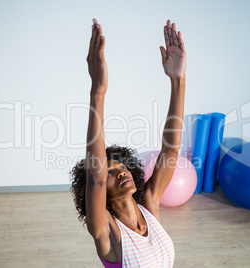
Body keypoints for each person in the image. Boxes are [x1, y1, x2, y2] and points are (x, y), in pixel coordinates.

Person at [70, 18, 187, 267]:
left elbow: (171, 149)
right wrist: (98, 91)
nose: (121, 171)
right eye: (111, 172)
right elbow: (96, 176)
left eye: (121, 167)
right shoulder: (106, 231)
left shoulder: (150, 204)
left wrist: (178, 81)